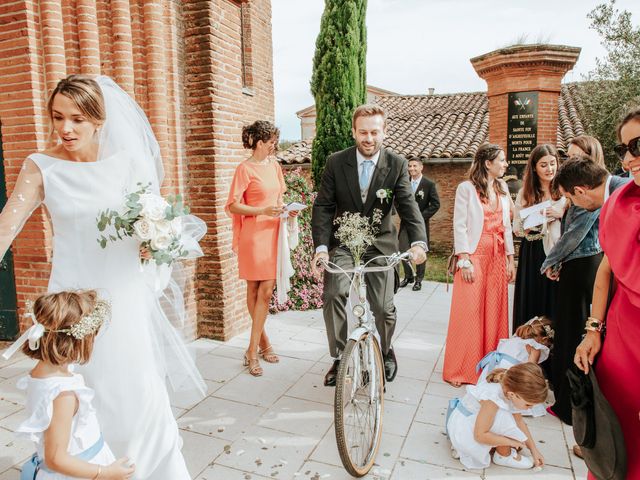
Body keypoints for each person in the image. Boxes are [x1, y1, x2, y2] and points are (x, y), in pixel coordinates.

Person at [0, 75, 206, 479]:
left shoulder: (127, 162)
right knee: (73, 398)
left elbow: (156, 220)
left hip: (125, 298)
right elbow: (5, 228)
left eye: (78, 118)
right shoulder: (40, 167)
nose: (66, 128)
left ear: (98, 120)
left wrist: (154, 243)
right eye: (58, 117)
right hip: (71, 309)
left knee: (137, 393)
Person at [311, 104, 427, 386]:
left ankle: (385, 350)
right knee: (333, 293)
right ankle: (340, 356)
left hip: (381, 246)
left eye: (374, 132)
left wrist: (418, 243)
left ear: (384, 132)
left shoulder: (396, 164)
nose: (368, 138)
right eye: (363, 132)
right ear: (354, 131)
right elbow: (324, 207)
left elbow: (408, 207)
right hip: (345, 243)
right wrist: (322, 248)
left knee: (383, 307)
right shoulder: (336, 163)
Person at [5, 290, 134, 480]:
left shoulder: (42, 372)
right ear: (76, 340)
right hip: (77, 473)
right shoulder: (62, 394)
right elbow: (55, 458)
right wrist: (104, 472)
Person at [574, 108, 640, 479]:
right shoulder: (621, 202)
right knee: (617, 441)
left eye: (638, 145)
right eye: (623, 149)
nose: (629, 158)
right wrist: (593, 330)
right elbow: (606, 268)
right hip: (623, 336)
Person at [542, 155, 629, 425]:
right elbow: (607, 264)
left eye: (571, 199)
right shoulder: (614, 195)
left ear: (579, 191)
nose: (574, 206)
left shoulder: (622, 200)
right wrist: (593, 328)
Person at [225, 120, 297, 377]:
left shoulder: (275, 167)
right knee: (255, 289)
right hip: (254, 235)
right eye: (270, 143)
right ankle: (256, 348)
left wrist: (286, 211)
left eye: (274, 143)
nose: (273, 147)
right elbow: (232, 205)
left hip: (274, 233)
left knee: (266, 291)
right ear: (258, 142)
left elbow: (278, 199)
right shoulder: (244, 169)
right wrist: (262, 211)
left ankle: (256, 346)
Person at [443, 144, 515, 387]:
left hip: (497, 255)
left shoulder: (502, 188)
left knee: (495, 310)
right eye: (502, 160)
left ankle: (492, 368)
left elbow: (507, 225)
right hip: (474, 253)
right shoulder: (466, 189)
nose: (506, 164)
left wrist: (510, 258)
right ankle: (461, 370)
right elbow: (459, 224)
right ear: (488, 163)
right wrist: (464, 259)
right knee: (469, 310)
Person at [446, 363, 547, 471]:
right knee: (504, 417)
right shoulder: (492, 399)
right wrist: (511, 442)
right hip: (464, 430)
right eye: (528, 404)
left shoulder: (508, 386)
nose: (529, 408)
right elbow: (479, 435)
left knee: (511, 422)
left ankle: (469, 448)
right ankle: (503, 456)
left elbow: (519, 421)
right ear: (513, 394)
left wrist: (534, 450)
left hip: (471, 423)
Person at [512, 145, 566, 331]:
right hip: (533, 251)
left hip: (557, 250)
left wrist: (560, 214)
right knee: (532, 297)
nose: (549, 169)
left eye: (553, 163)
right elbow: (517, 227)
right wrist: (526, 226)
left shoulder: (565, 189)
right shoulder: (524, 193)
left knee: (554, 300)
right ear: (534, 167)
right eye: (544, 165)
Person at [398, 158, 440, 291]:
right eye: (409, 166)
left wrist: (419, 217)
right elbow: (397, 201)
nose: (411, 169)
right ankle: (408, 276)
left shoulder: (429, 184)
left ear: (421, 167)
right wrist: (403, 214)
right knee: (403, 249)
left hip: (421, 224)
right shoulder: (404, 183)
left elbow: (435, 204)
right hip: (405, 224)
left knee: (420, 250)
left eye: (414, 166)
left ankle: (418, 280)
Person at [476, 316, 553, 387]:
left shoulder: (514, 339)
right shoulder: (535, 348)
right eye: (548, 344)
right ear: (544, 339)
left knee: (487, 391)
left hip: (493, 369)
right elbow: (530, 370)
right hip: (507, 375)